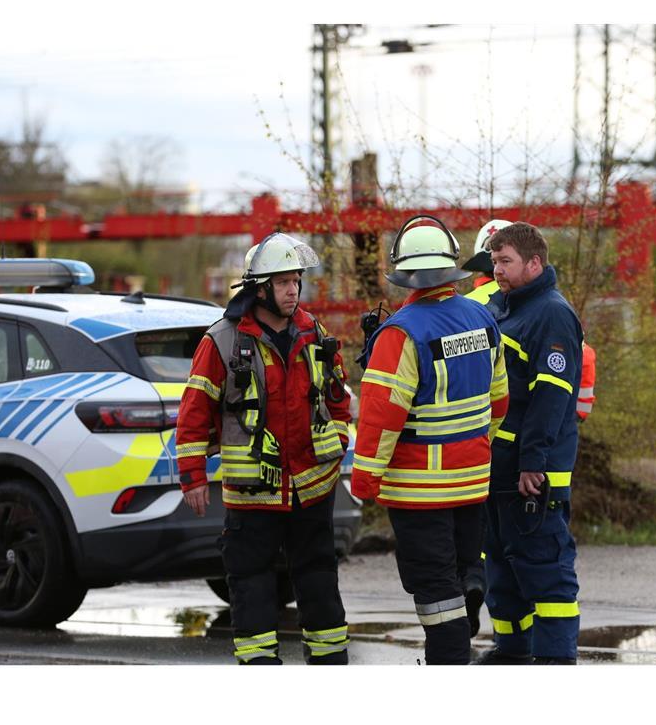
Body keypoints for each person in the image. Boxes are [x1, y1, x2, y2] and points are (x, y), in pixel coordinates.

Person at [175, 232, 353, 664]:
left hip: (312, 485)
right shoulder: (220, 341)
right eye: (283, 282)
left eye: (296, 281)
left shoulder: (314, 332)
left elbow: (338, 398)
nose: (293, 290)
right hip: (253, 494)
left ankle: (330, 664)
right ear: (260, 289)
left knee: (319, 580)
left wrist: (340, 441)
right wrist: (192, 476)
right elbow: (194, 410)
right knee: (251, 583)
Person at [351, 214, 509, 664]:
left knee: (437, 596)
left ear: (406, 273)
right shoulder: (482, 318)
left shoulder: (402, 332)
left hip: (419, 493)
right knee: (458, 576)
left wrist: (365, 481)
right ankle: (467, 605)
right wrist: (474, 448)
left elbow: (382, 417)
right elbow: (499, 401)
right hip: (473, 482)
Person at [460, 217, 596, 638]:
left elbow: (550, 400)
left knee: (543, 567)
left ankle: (555, 656)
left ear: (534, 264)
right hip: (503, 465)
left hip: (534, 472)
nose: (496, 269)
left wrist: (532, 462)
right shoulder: (505, 306)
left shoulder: (551, 314)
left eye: (505, 261)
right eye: (494, 261)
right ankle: (511, 648)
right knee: (501, 562)